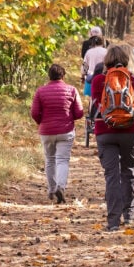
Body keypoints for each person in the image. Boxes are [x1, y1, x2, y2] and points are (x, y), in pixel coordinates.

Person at [91, 45, 134, 231]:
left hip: (105, 131)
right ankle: (129, 215)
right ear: (126, 60)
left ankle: (113, 221)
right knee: (129, 171)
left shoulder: (99, 80)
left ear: (107, 60)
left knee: (112, 176)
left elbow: (95, 104)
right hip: (130, 131)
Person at [30, 64, 84, 204]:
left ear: (49, 76)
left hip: (46, 131)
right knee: (62, 160)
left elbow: (34, 113)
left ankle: (52, 189)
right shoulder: (71, 90)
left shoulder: (40, 91)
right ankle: (61, 186)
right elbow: (79, 113)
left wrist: (42, 122)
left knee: (50, 159)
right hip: (65, 130)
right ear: (63, 76)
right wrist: (69, 117)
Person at [81, 35, 108, 108]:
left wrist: (83, 76)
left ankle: (91, 113)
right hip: (103, 77)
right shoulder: (106, 51)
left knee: (92, 97)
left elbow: (85, 65)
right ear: (103, 42)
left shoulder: (89, 52)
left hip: (91, 77)